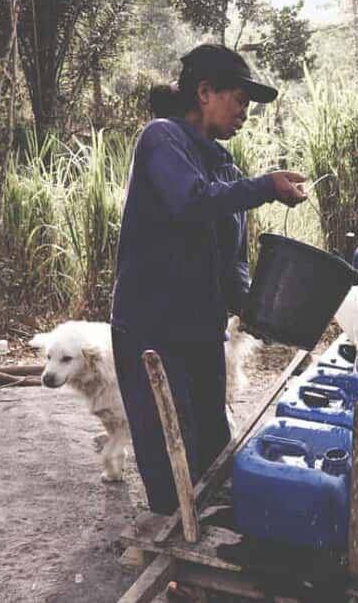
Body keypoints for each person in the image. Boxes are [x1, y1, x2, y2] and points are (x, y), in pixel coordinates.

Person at [110, 43, 307, 515]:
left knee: (211, 445)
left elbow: (231, 259)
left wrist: (257, 311)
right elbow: (191, 201)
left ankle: (209, 547)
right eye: (238, 100)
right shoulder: (162, 139)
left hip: (201, 327)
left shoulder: (224, 166)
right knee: (167, 448)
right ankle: (177, 560)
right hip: (150, 328)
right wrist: (265, 187)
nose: (244, 113)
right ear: (204, 92)